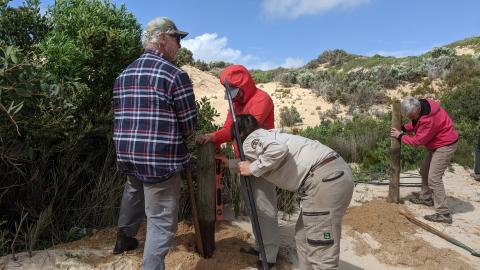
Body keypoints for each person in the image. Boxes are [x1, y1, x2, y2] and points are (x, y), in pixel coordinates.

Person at [112, 17, 197, 270]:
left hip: (128, 154)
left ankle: (123, 240)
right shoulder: (174, 75)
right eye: (176, 39)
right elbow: (189, 123)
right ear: (162, 38)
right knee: (160, 220)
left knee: (134, 191)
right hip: (159, 160)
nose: (179, 46)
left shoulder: (123, 75)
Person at [216, 114, 354, 270]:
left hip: (323, 181)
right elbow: (259, 159)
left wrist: (253, 168)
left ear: (240, 134)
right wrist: (230, 164)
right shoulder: (267, 135)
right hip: (333, 174)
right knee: (303, 237)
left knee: (320, 252)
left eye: (233, 138)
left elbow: (277, 150)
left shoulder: (250, 140)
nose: (234, 143)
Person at [195, 65, 279, 268]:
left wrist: (222, 136)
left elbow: (244, 130)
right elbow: (227, 129)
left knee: (264, 207)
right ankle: (260, 246)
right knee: (252, 206)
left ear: (243, 84)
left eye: (235, 90)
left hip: (261, 162)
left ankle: (269, 255)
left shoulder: (261, 99)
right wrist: (212, 137)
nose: (233, 96)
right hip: (244, 162)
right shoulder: (235, 102)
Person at [391, 96, 458, 224]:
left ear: (417, 111)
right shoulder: (422, 106)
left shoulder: (429, 119)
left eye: (411, 116)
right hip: (437, 144)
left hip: (445, 145)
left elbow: (418, 141)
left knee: (434, 178)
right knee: (424, 171)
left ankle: (443, 213)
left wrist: (401, 135)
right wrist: (405, 128)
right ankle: (426, 198)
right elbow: (417, 124)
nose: (410, 119)